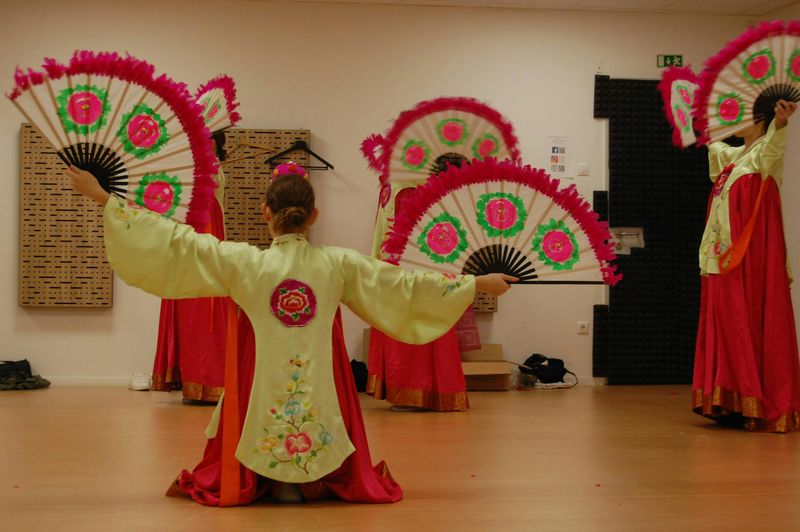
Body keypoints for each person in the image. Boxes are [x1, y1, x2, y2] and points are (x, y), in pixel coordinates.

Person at [67, 164, 514, 506]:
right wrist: (477, 283)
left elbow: (176, 242)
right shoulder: (337, 263)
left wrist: (105, 198)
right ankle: (312, 477)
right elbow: (404, 285)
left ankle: (265, 477)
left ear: (266, 212)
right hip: (323, 370)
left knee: (260, 401)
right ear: (313, 214)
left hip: (256, 370)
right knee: (316, 398)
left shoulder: (245, 262)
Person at [693, 99, 800, 432]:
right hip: (720, 259)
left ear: (758, 120)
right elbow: (714, 146)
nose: (732, 122)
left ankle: (757, 400)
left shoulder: (763, 155)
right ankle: (729, 400)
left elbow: (775, 143)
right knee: (725, 323)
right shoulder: (733, 157)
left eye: (739, 117)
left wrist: (780, 123)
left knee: (745, 321)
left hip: (749, 260)